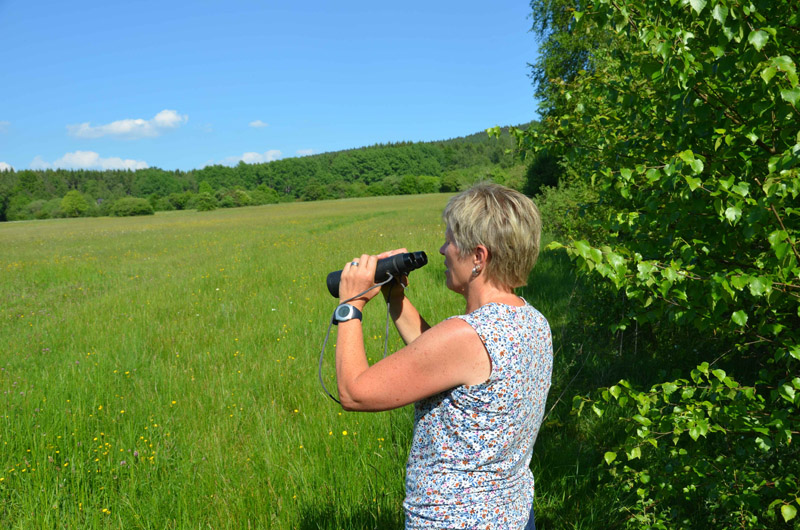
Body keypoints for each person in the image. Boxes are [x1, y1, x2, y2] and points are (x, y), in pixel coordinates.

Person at [334, 182, 553, 530]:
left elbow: (354, 392)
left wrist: (351, 305)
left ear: (478, 257)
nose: (442, 249)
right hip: (511, 515)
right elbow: (440, 361)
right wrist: (395, 297)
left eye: (450, 240)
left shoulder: (467, 336)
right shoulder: (532, 321)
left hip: (456, 520)